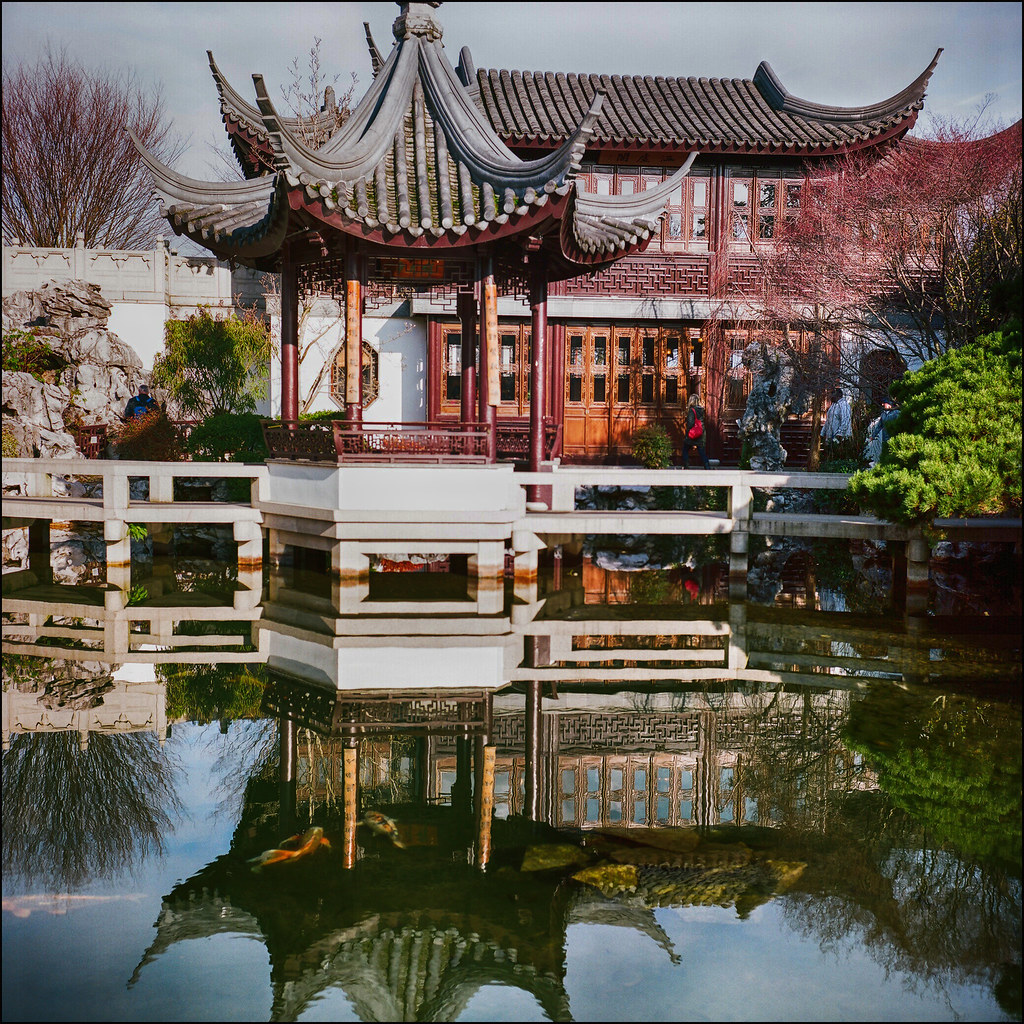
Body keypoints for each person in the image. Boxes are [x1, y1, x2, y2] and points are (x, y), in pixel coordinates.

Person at [682, 393, 710, 469]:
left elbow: (690, 423)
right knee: (701, 451)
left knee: (685, 450)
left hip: (693, 434)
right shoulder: (701, 410)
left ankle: (686, 465)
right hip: (701, 433)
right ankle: (707, 466)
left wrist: (688, 432)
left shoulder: (692, 410)